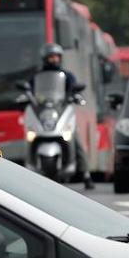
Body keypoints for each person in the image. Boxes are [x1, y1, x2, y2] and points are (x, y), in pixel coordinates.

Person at [36, 43, 94, 189]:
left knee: (75, 139)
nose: (53, 60)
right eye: (50, 57)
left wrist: (75, 95)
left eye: (56, 57)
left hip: (62, 112)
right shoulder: (37, 76)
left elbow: (75, 90)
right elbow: (30, 90)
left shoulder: (67, 76)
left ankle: (86, 173)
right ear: (45, 59)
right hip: (44, 113)